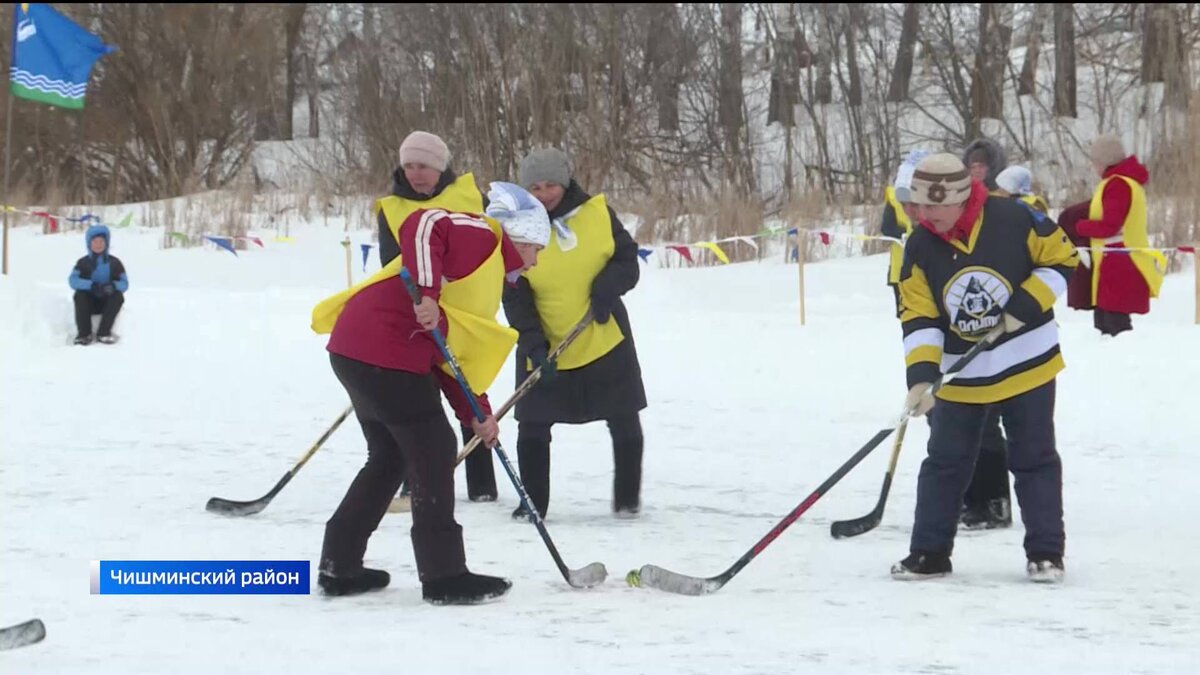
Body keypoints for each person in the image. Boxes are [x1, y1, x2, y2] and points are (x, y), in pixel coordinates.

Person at [309, 182, 550, 603]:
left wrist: (477, 413)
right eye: (537, 248)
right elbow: (425, 222)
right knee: (434, 447)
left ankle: (340, 565)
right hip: (384, 345)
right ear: (523, 236)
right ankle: (444, 576)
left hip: (358, 347)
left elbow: (450, 353)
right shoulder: (486, 236)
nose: (535, 262)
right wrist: (427, 293)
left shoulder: (486, 277)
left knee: (390, 456)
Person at [891, 153, 1078, 583]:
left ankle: (1046, 553)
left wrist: (1022, 307)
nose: (925, 215)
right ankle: (930, 553)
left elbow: (1063, 259)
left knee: (1034, 458)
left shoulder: (1015, 218)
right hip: (961, 373)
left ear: (961, 200)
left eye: (934, 207)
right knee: (944, 462)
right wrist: (921, 378)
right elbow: (919, 316)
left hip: (1027, 360)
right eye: (920, 205)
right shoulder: (919, 245)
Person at [502, 147, 647, 521]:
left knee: (624, 418)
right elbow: (514, 291)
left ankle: (627, 501)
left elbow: (627, 259)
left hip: (602, 335)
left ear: (565, 182)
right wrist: (531, 339)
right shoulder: (513, 229)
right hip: (546, 340)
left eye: (551, 184)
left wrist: (608, 285)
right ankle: (533, 502)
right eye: (535, 186)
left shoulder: (597, 214)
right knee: (533, 424)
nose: (544, 192)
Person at [376, 130, 499, 503]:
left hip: (466, 309)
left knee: (468, 386)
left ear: (440, 167)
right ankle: (416, 478)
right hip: (418, 312)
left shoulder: (470, 198)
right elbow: (389, 264)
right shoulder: (391, 209)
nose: (416, 173)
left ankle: (482, 484)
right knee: (419, 397)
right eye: (410, 165)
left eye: (425, 166)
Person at [1072, 134, 1165, 337]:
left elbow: (1110, 226)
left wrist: (1079, 227)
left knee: (1114, 324)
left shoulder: (1118, 185)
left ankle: (1124, 363)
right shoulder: (1121, 182)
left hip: (1119, 262)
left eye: (1095, 161)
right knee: (1106, 319)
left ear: (1104, 161)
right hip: (1114, 260)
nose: (1093, 166)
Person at [881, 149, 931, 317]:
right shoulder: (894, 197)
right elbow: (886, 227)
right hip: (901, 266)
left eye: (915, 204)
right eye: (904, 205)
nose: (909, 210)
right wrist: (904, 233)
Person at [69, 224, 129, 345]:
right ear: (89, 243)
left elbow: (124, 284)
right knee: (79, 295)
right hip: (88, 303)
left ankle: (104, 333)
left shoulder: (115, 263)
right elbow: (73, 280)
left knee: (118, 296)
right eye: (95, 241)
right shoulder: (83, 262)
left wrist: (113, 286)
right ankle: (84, 334)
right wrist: (91, 285)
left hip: (107, 303)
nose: (98, 244)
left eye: (101, 241)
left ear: (106, 243)